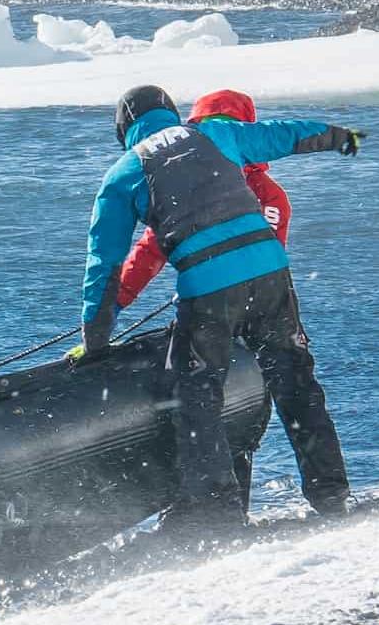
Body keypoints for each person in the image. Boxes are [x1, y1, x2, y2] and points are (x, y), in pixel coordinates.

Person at [78, 82, 362, 523]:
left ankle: (219, 518)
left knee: (196, 399)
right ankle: (333, 496)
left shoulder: (123, 174)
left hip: (209, 288)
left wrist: (96, 339)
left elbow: (105, 263)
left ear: (124, 130)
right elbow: (285, 134)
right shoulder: (217, 135)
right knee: (296, 384)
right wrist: (342, 136)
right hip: (271, 274)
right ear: (172, 113)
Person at [113, 88, 287, 309]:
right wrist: (111, 307)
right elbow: (148, 253)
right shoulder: (181, 188)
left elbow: (264, 259)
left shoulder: (268, 196)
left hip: (254, 308)